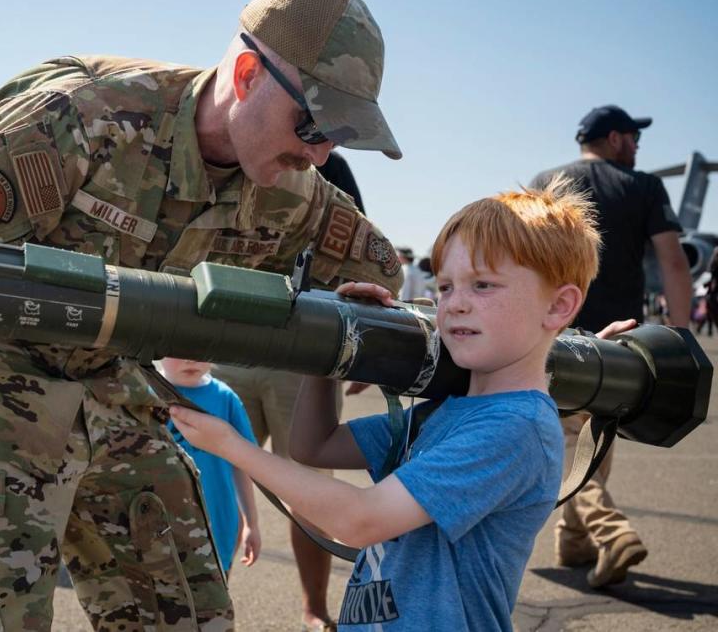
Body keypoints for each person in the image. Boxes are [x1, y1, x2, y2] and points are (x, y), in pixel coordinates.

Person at [0, 0, 405, 628]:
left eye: (342, 137)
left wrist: (365, 316)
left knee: (185, 616)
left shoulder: (297, 193)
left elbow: (377, 271)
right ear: (247, 77)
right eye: (315, 125)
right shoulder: (84, 116)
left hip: (112, 386)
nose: (321, 154)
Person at [169, 178, 602, 630]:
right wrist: (333, 347)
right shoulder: (447, 412)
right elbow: (314, 446)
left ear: (558, 307)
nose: (454, 305)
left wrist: (233, 446)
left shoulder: (515, 428)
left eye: (484, 285)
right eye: (447, 286)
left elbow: (361, 520)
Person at [531, 104, 693, 587]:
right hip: (624, 345)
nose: (638, 146)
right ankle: (585, 538)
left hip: (557, 335)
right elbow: (675, 264)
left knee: (570, 441)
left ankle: (599, 533)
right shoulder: (642, 186)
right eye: (633, 137)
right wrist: (680, 337)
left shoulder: (545, 181)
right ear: (615, 138)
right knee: (594, 440)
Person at [214, 149, 366, 632]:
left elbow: (360, 261)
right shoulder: (232, 158)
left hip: (300, 360)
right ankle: (201, 604)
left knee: (311, 494)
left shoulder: (329, 168)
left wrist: (365, 348)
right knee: (203, 482)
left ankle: (314, 608)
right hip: (229, 348)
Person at [159, 358, 261, 576]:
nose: (190, 358)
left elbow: (243, 465)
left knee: (214, 596)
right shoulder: (147, 394)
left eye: (200, 347)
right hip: (161, 523)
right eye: (179, 347)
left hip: (218, 520)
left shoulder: (225, 398)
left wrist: (251, 522)